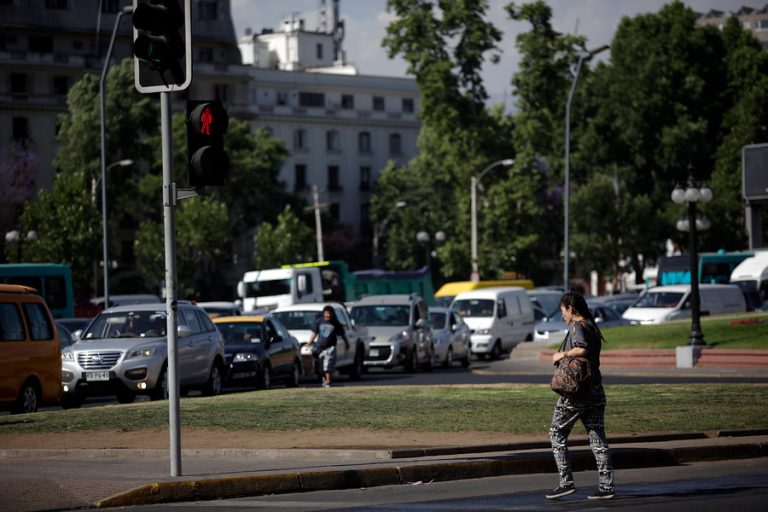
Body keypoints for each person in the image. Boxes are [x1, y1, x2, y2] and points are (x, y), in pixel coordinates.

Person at [547, 291, 614, 501]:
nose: (563, 316)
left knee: (556, 433)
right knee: (597, 438)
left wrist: (562, 354)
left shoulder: (577, 326)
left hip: (577, 393)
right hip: (595, 390)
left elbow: (581, 350)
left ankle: (565, 482)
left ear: (571, 309)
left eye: (563, 311)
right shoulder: (593, 327)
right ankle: (606, 486)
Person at [306, 305, 350, 388]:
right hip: (319, 348)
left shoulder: (335, 323)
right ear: (324, 314)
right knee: (321, 367)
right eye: (326, 313)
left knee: (328, 366)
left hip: (330, 347)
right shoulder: (319, 321)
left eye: (330, 314)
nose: (328, 315)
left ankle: (328, 382)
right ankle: (324, 379)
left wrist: (347, 343)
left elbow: (342, 334)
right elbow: (314, 333)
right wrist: (310, 342)